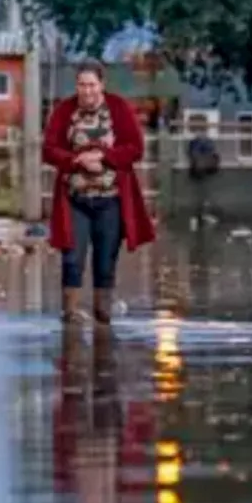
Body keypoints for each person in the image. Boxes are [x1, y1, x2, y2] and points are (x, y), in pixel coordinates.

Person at [44, 59, 156, 325]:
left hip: (111, 200)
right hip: (75, 200)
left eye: (92, 85)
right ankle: (70, 313)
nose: (87, 91)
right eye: (82, 85)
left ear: (102, 85)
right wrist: (76, 160)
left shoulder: (118, 108)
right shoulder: (64, 112)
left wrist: (104, 157)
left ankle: (102, 314)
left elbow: (135, 148)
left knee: (105, 261)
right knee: (72, 258)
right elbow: (49, 150)